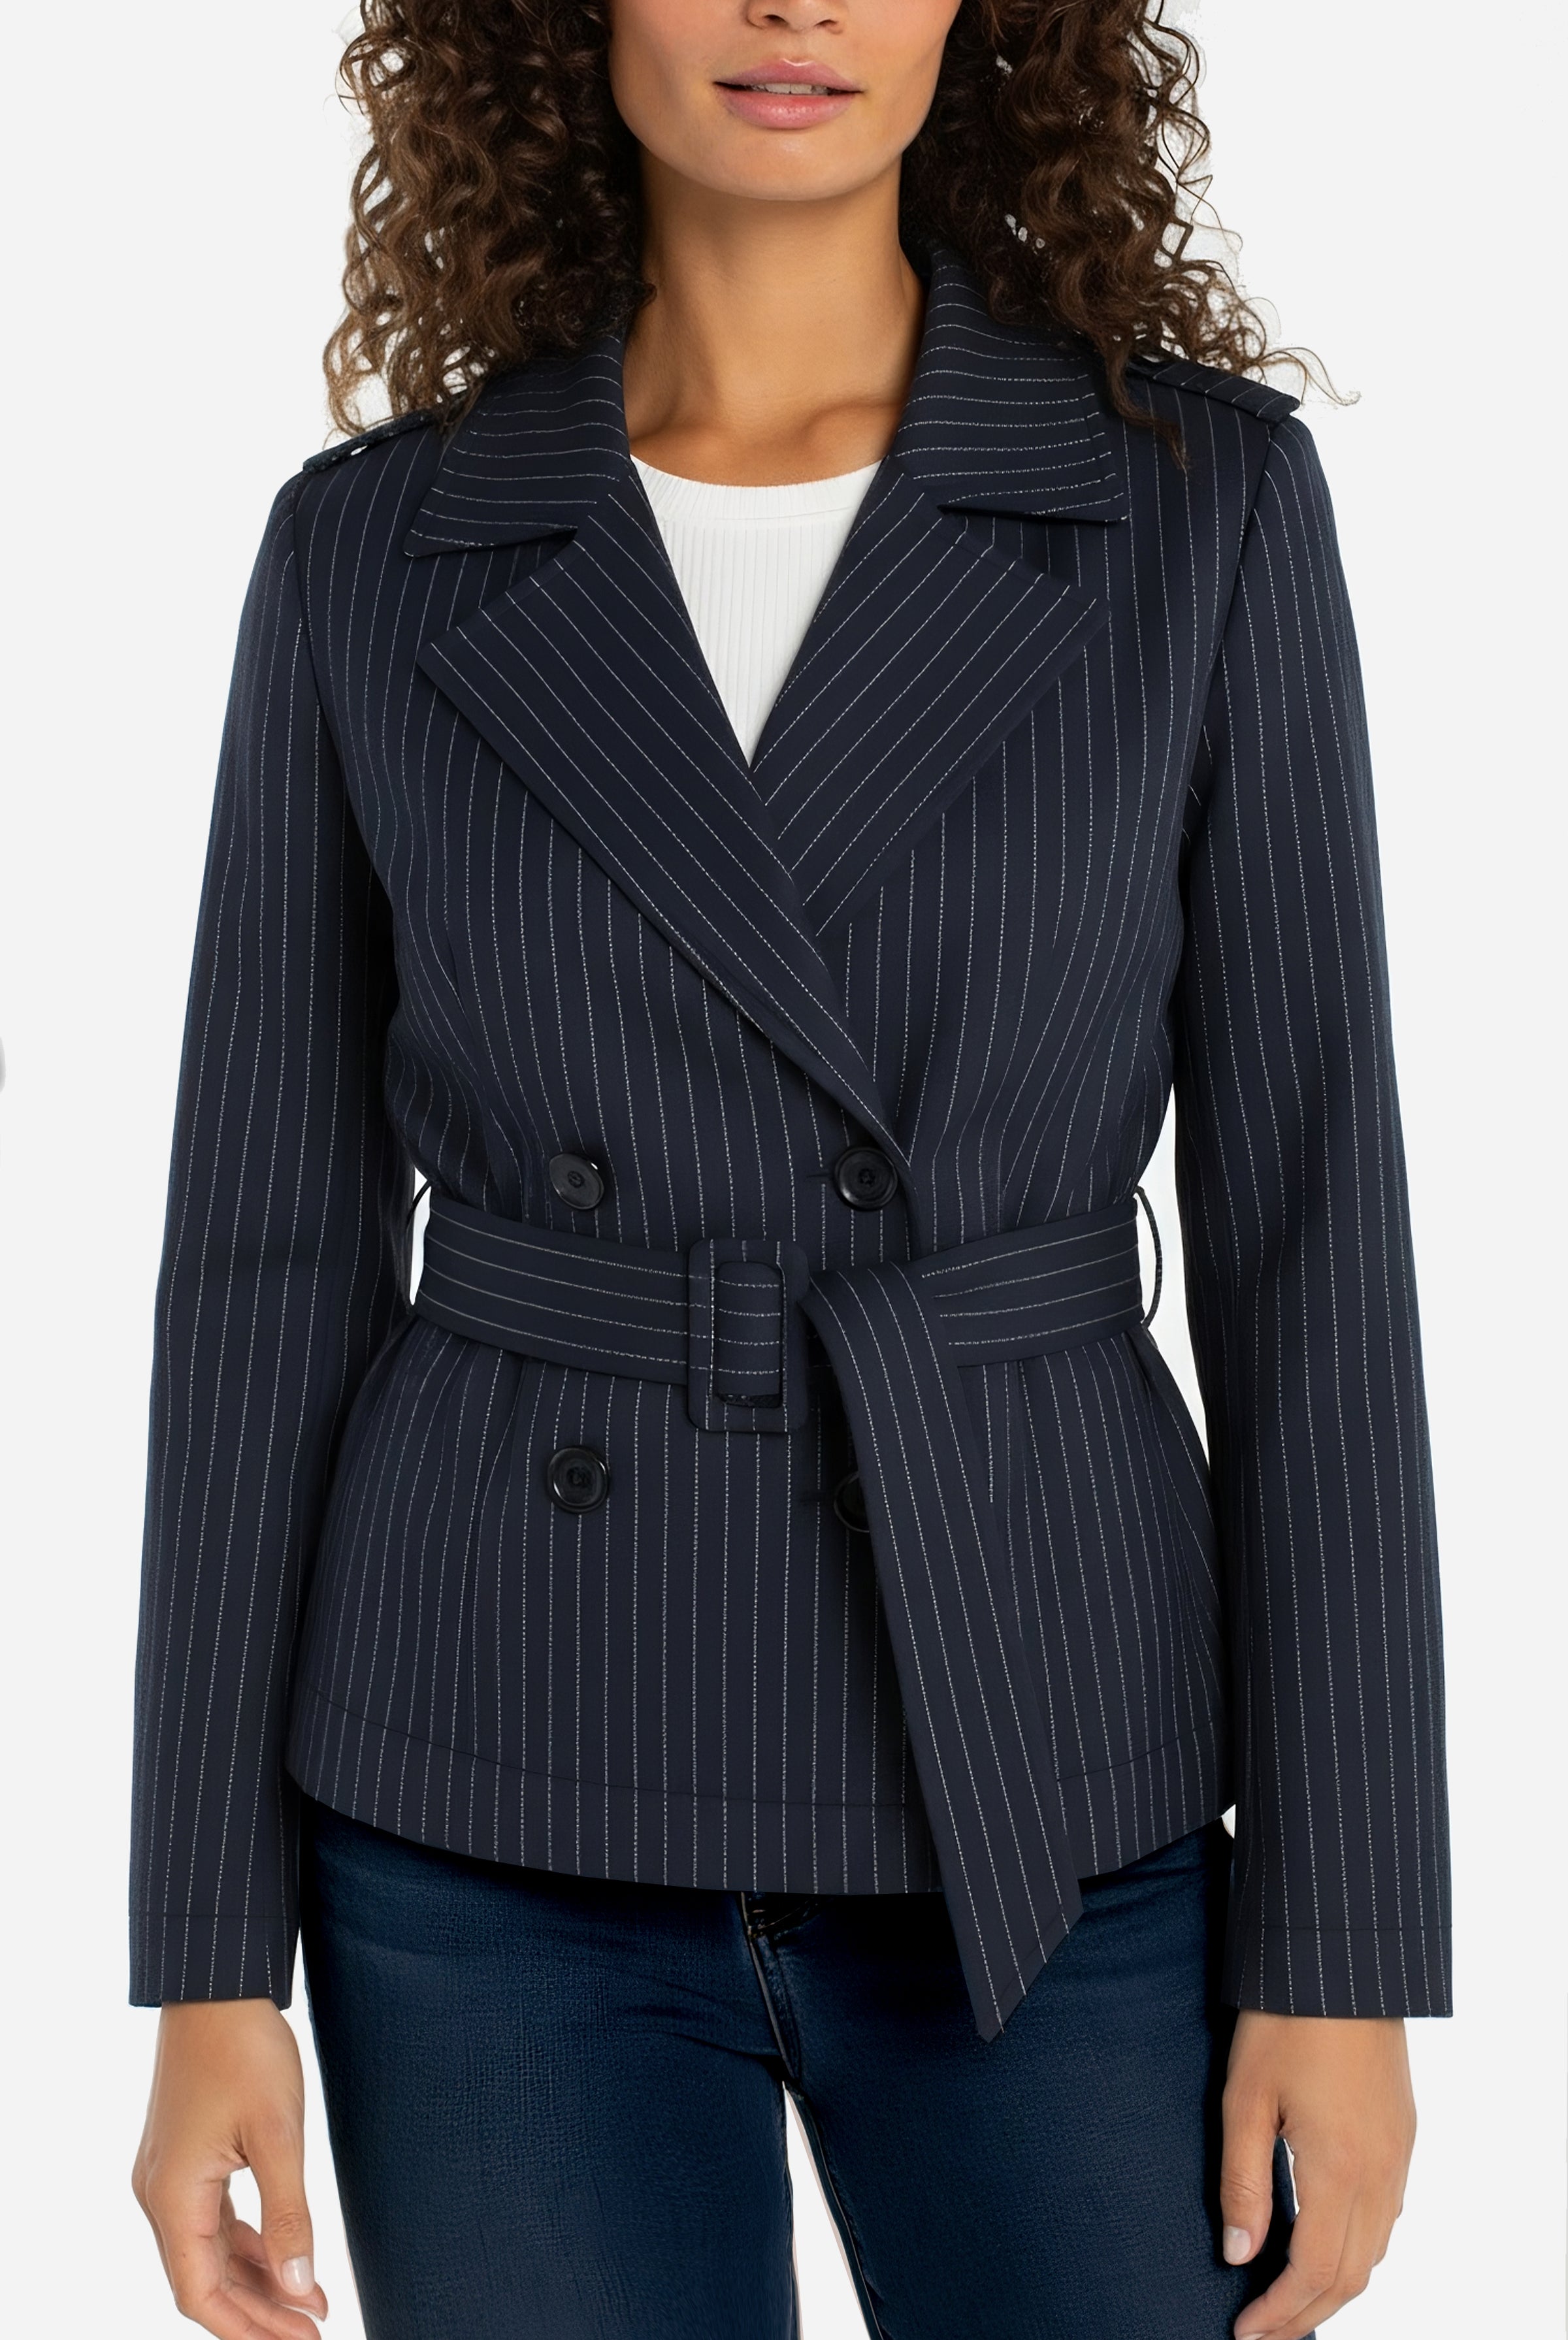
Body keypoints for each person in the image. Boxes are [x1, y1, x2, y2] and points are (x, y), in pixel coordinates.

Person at [129, 4, 1449, 2337]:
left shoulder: (1195, 505)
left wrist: (1344, 1948)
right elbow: (263, 1264)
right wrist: (208, 1956)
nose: (794, 6)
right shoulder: (378, 550)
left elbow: (1312, 1237)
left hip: (1049, 1744)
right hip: (492, 1789)